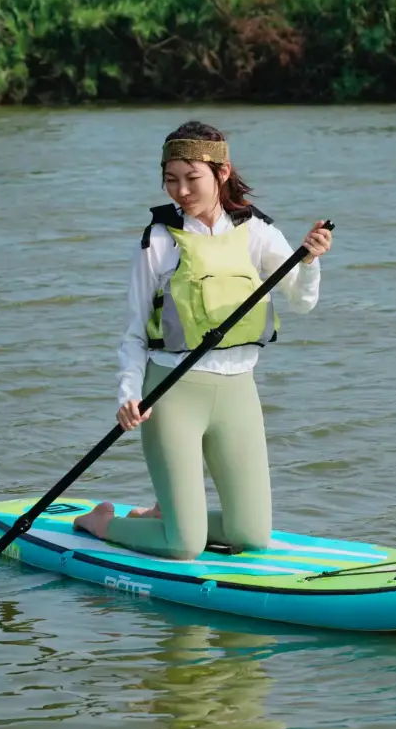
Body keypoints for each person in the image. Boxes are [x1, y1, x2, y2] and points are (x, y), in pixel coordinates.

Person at [74, 120, 332, 559]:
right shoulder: (159, 240)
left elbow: (302, 302)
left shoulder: (257, 232)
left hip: (238, 392)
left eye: (192, 178)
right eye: (171, 180)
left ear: (222, 172)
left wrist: (308, 262)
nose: (181, 191)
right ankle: (102, 522)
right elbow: (135, 331)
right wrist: (128, 394)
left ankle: (163, 515)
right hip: (171, 394)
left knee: (251, 535)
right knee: (184, 546)